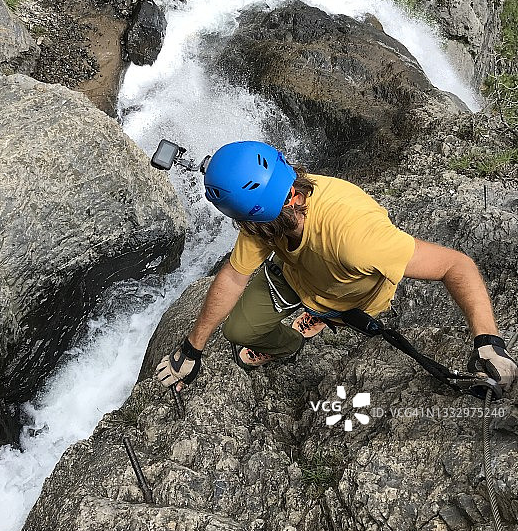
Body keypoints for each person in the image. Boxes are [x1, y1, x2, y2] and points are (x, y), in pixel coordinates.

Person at [155, 141, 517, 395]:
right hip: (297, 274)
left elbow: (456, 265)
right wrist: (192, 348)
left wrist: (488, 341)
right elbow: (234, 275)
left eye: (251, 227)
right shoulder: (271, 202)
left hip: (348, 294)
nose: (247, 233)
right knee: (238, 329)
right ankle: (290, 343)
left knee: (331, 303)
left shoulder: (356, 236)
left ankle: (326, 317)